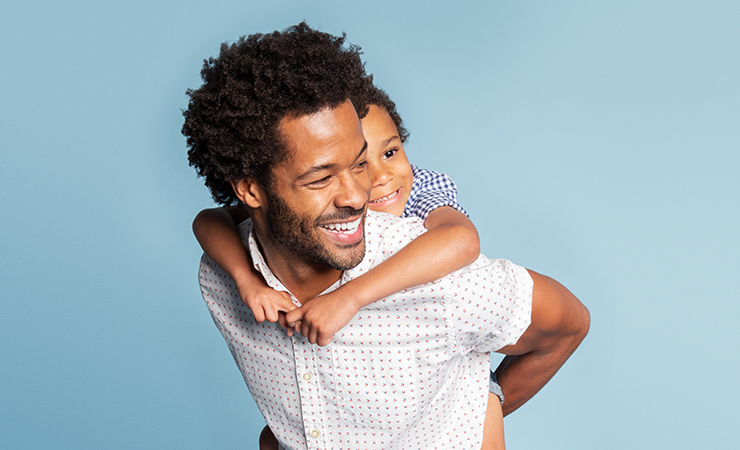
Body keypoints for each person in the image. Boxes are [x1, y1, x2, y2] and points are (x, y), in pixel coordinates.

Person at [183, 23, 589, 450]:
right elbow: (209, 222)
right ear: (249, 189)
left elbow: (568, 325)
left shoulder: (439, 279)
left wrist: (481, 406)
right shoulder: (220, 278)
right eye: (321, 179)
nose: (360, 195)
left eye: (359, 164)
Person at [195, 80, 511, 449]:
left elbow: (462, 240)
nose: (372, 181)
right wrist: (247, 281)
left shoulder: (420, 195)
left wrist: (350, 297)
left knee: (483, 405)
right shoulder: (294, 209)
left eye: (389, 153)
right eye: (356, 164)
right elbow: (209, 220)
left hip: (449, 365)